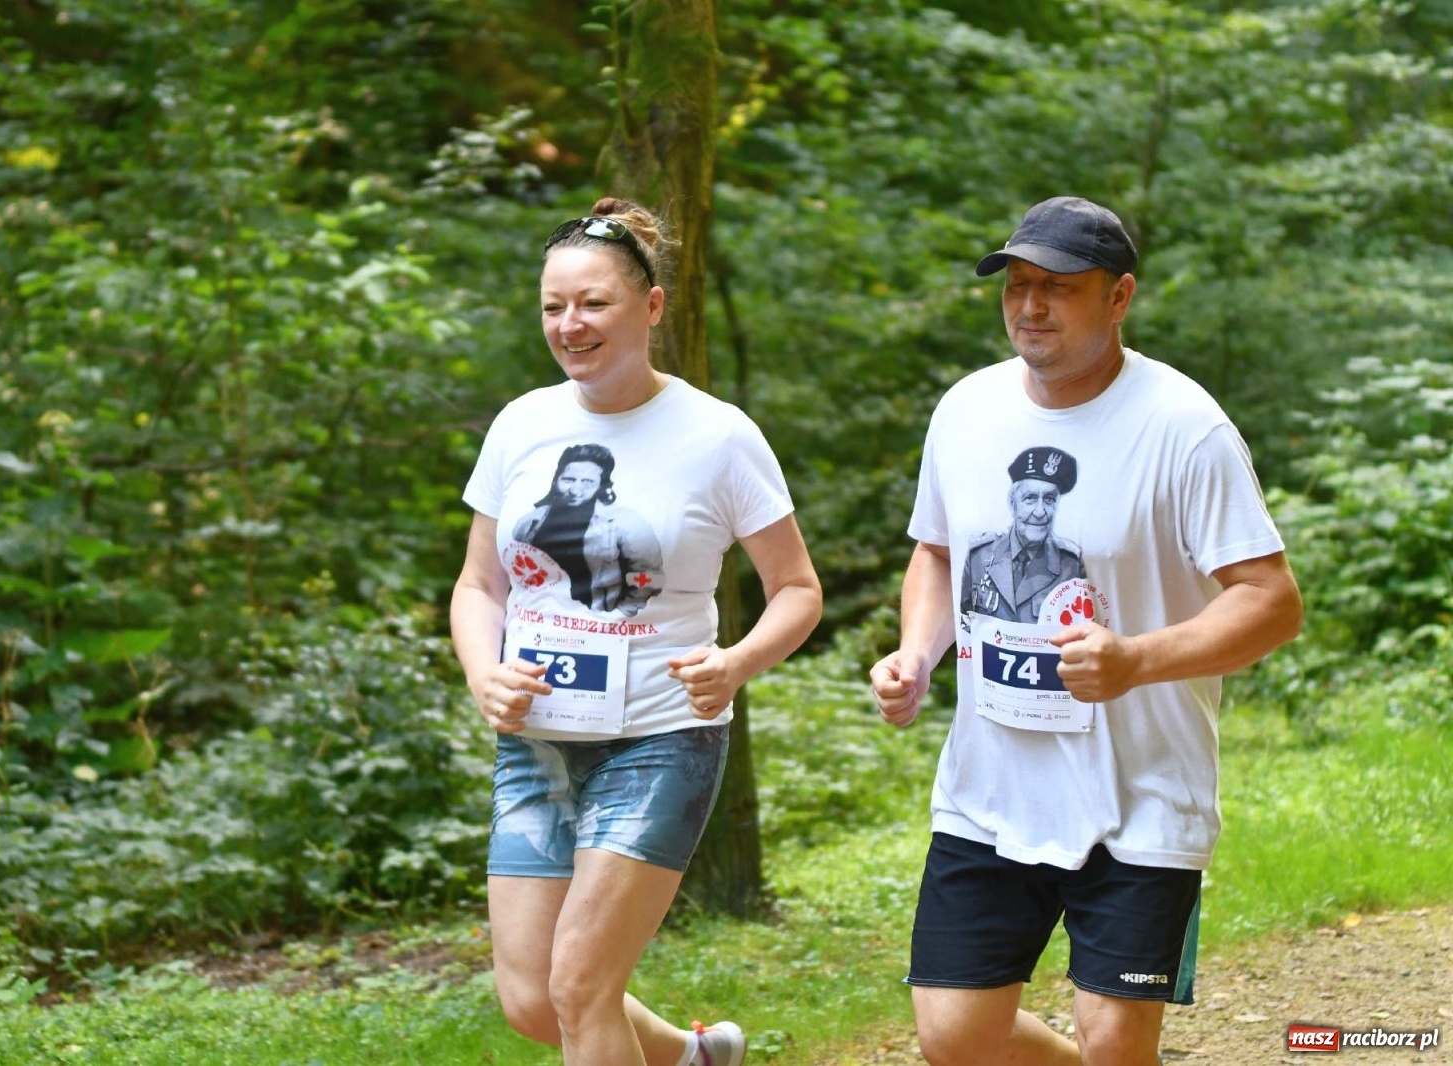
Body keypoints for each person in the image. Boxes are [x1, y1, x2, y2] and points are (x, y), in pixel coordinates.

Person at [868, 196, 1303, 1066]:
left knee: (1114, 1041)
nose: (1031, 307)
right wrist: (918, 652)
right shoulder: (967, 410)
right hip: (990, 793)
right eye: (1017, 285)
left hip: (1140, 795)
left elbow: (1271, 601)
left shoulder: (1184, 429)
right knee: (954, 1037)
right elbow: (939, 554)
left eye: (1059, 287)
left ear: (1120, 296)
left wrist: (1136, 659)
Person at [452, 197, 821, 1066]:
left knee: (581, 985)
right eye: (553, 307)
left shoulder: (719, 437)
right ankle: (696, 1059)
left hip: (659, 738)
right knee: (536, 1000)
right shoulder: (522, 425)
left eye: (592, 304)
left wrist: (735, 664)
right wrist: (483, 672)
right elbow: (477, 584)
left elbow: (797, 590)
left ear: (651, 308)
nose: (569, 325)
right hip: (536, 741)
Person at [512, 442, 665, 616]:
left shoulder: (627, 524)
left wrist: (620, 616)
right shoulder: (530, 521)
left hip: (602, 631)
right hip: (538, 629)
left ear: (602, 485)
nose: (576, 489)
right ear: (556, 480)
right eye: (568, 479)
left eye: (588, 482)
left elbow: (652, 578)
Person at [959, 446, 1084, 624]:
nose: (1040, 512)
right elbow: (964, 621)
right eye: (1030, 498)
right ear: (1012, 503)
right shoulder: (979, 555)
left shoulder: (1072, 564)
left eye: (1049, 499)